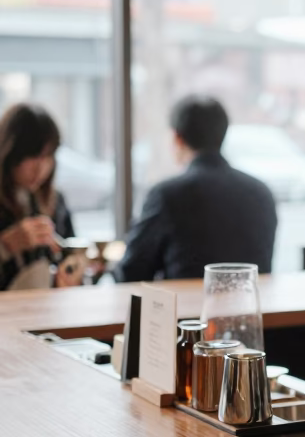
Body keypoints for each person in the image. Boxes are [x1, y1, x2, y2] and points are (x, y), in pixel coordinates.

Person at [115, 96, 277, 282]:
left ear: (177, 138)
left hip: (186, 310)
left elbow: (131, 272)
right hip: (250, 308)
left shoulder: (166, 195)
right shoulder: (261, 193)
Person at [0, 104, 79, 291]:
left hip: (45, 313)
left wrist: (71, 273)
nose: (41, 168)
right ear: (11, 153)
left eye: (48, 156)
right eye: (33, 156)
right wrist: (5, 246)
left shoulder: (55, 201)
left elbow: (69, 255)